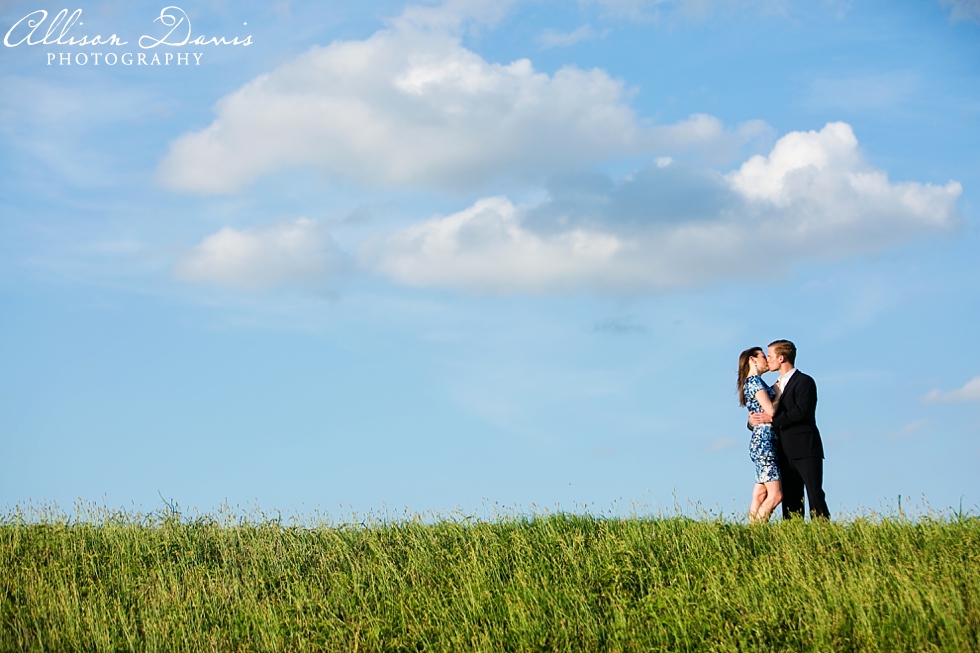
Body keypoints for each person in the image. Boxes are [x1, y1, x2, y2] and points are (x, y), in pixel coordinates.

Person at [749, 340, 830, 519]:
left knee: (814, 493)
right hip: (783, 452)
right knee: (791, 499)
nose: (768, 360)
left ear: (781, 358)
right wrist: (752, 421)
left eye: (770, 356)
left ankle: (823, 532)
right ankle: (793, 533)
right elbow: (761, 410)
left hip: (806, 448)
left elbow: (803, 412)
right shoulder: (773, 387)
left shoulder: (805, 382)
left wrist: (773, 419)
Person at [737, 347, 782, 523]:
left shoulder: (753, 383)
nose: (766, 360)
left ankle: (753, 530)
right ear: (753, 360)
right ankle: (757, 532)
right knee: (775, 495)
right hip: (765, 442)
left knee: (761, 492)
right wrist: (778, 393)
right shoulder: (754, 382)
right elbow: (770, 411)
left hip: (760, 441)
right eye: (763, 356)